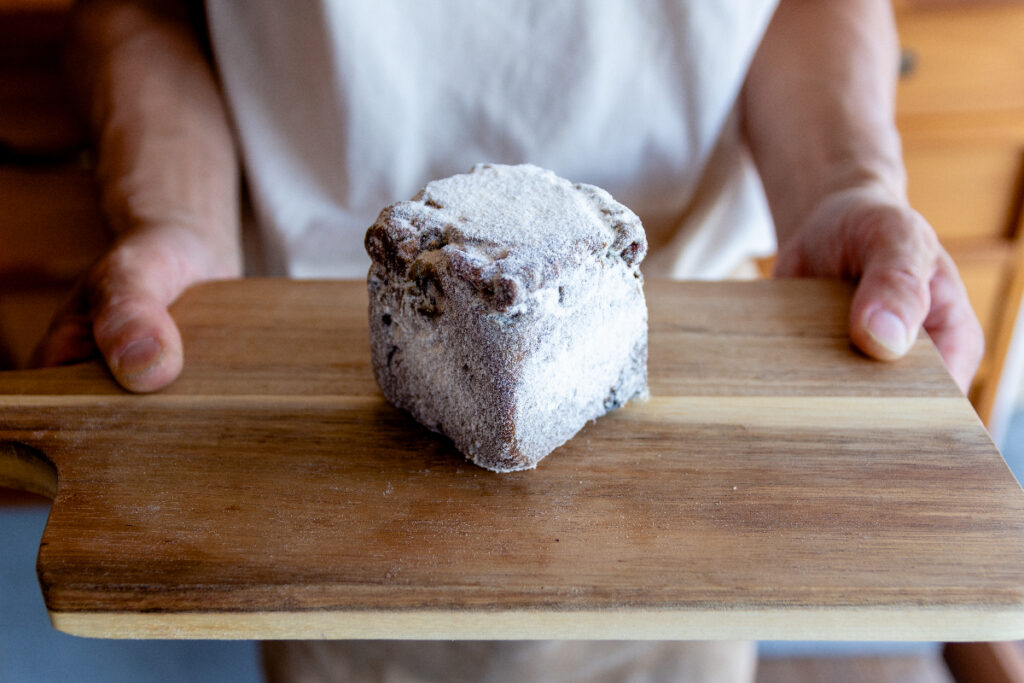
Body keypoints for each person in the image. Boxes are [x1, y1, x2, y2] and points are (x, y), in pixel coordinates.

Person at [41, 0, 984, 681]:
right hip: (324, 458)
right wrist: (176, 217)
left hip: (672, 466)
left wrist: (844, 183)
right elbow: (133, 12)